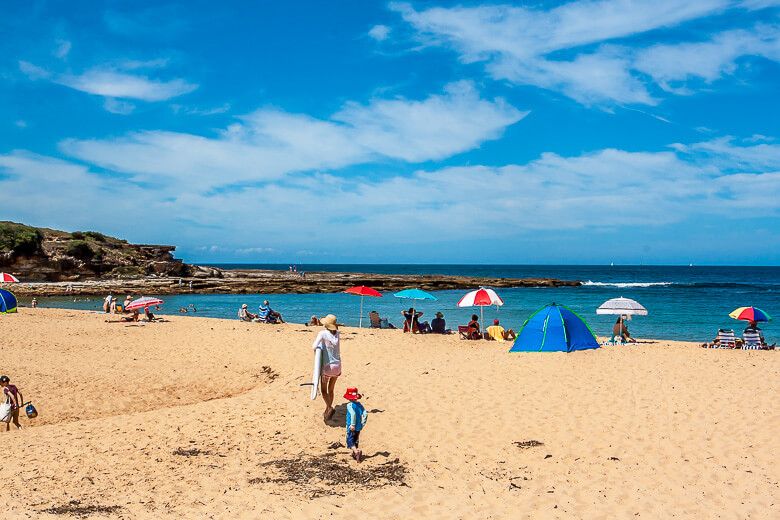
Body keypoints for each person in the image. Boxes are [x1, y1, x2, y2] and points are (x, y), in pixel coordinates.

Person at [312, 314, 342, 422]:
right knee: (331, 389)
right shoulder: (338, 334)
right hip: (338, 366)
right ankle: (328, 409)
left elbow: (314, 346)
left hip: (328, 367)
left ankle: (329, 407)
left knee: (324, 390)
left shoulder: (322, 333)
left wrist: (320, 347)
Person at [344, 387, 368, 463]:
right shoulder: (359, 405)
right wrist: (362, 423)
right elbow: (365, 413)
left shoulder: (350, 405)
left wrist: (352, 424)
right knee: (356, 440)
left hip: (351, 426)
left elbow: (353, 414)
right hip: (359, 426)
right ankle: (355, 455)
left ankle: (357, 451)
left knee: (350, 440)